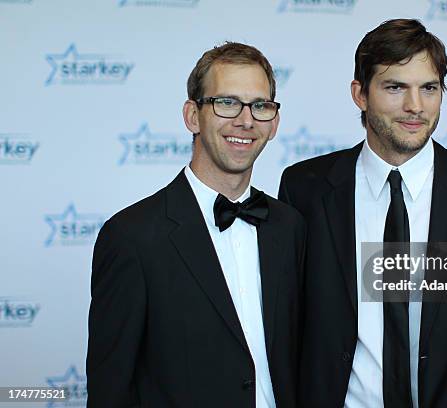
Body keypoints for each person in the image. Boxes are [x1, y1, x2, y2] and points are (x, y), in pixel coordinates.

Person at [278, 19, 447, 408]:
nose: (415, 106)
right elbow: (288, 327)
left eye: (429, 88)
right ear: (360, 95)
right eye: (395, 87)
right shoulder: (306, 188)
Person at [87, 42, 305, 408]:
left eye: (260, 106)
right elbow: (111, 388)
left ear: (274, 122)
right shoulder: (131, 237)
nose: (245, 120)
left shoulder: (290, 225)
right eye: (227, 103)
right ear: (192, 116)